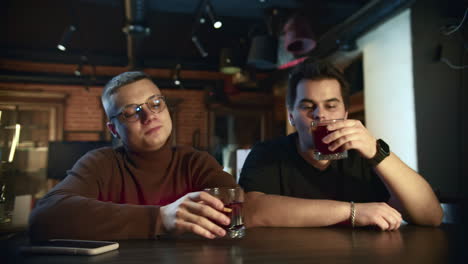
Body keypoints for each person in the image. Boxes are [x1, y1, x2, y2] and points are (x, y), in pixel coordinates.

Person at [29, 71, 238, 241]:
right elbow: (44, 217)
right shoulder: (100, 163)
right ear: (114, 129)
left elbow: (237, 212)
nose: (149, 116)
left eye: (155, 103)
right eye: (131, 112)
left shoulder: (195, 162)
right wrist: (158, 219)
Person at [239, 59, 443, 230]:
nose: (320, 114)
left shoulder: (365, 156)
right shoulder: (267, 153)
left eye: (331, 105)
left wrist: (376, 151)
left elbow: (431, 216)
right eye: (308, 106)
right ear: (291, 116)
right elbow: (250, 211)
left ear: (345, 114)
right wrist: (353, 212)